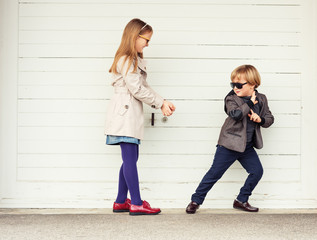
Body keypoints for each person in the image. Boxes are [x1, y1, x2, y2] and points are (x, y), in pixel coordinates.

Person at [105, 18, 175, 216]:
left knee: (130, 158)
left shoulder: (131, 59)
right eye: (146, 39)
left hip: (127, 112)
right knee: (130, 159)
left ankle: (121, 201)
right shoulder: (128, 59)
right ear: (134, 37)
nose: (147, 44)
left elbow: (142, 87)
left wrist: (162, 101)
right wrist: (160, 103)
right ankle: (136, 202)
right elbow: (136, 89)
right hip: (125, 114)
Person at [186, 65, 274, 213]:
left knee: (257, 171)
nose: (235, 87)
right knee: (214, 174)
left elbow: (270, 118)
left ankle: (241, 200)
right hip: (228, 144)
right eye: (232, 84)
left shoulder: (262, 99)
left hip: (247, 147)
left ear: (253, 84)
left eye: (239, 85)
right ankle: (196, 200)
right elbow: (236, 115)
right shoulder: (231, 98)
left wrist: (260, 119)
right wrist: (250, 103)